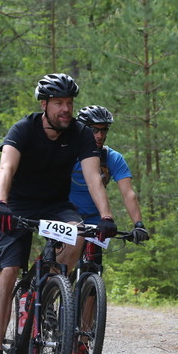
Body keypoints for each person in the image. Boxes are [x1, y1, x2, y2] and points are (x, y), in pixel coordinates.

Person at [0, 73, 117, 354]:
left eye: (69, 103)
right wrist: (0, 204)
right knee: (8, 272)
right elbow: (6, 167)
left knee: (79, 238)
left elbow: (94, 177)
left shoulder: (81, 134)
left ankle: (45, 292)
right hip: (16, 205)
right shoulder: (24, 129)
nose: (66, 109)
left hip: (56, 206)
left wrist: (107, 216)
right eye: (59, 103)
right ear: (44, 104)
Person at [69, 104, 150, 261]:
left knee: (93, 266)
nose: (99, 135)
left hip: (95, 220)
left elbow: (128, 193)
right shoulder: (69, 151)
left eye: (104, 130)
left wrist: (138, 225)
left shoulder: (112, 158)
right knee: (60, 266)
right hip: (66, 215)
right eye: (93, 130)